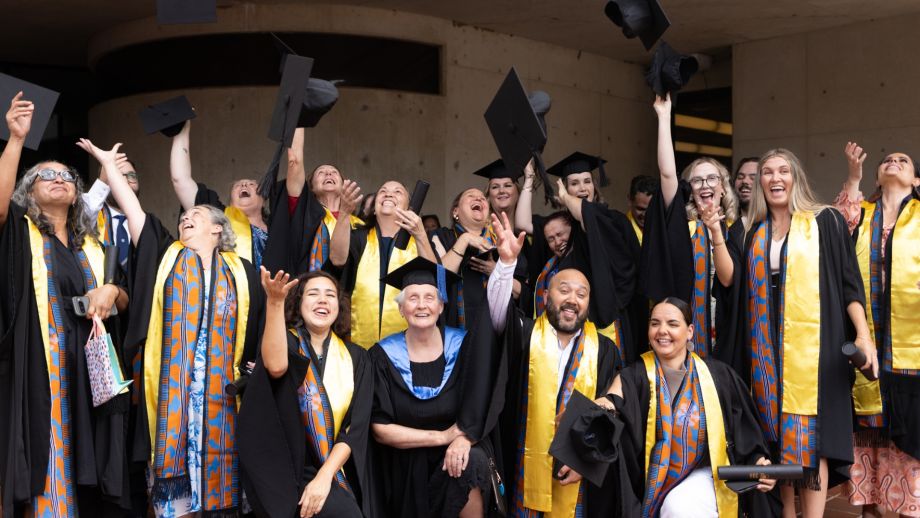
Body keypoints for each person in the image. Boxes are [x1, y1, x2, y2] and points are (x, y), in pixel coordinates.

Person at [77, 137, 265, 518]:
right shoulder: (166, 256)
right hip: (173, 390)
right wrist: (108, 166)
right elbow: (131, 208)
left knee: (224, 494)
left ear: (218, 230)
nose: (186, 218)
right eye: (183, 217)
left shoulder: (242, 273)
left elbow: (257, 328)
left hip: (224, 394)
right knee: (174, 502)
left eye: (196, 216)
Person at [717, 148, 876, 518]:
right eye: (768, 172)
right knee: (775, 435)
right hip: (765, 349)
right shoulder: (750, 233)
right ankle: (786, 514)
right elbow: (730, 286)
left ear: (796, 178)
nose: (775, 178)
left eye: (783, 171)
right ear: (760, 183)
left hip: (815, 347)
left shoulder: (826, 221)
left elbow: (849, 284)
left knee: (811, 435)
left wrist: (863, 336)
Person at [0, 93, 131, 516]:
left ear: (77, 195)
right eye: (46, 175)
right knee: (49, 458)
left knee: (89, 468)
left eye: (66, 176)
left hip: (90, 371)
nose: (59, 179)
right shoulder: (20, 235)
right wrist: (16, 140)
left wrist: (111, 292)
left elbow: (125, 295)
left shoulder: (91, 244)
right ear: (29, 192)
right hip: (42, 366)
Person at [487, 212, 622, 516]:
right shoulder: (523, 335)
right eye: (564, 291)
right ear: (546, 295)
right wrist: (506, 263)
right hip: (523, 464)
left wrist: (587, 462)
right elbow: (496, 314)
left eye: (581, 294)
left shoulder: (604, 351)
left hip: (576, 476)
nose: (572, 300)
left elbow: (613, 410)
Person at [596, 297, 778, 518]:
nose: (662, 331)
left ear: (689, 331)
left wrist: (758, 463)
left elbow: (745, 432)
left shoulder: (718, 376)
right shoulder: (634, 377)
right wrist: (601, 408)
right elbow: (610, 402)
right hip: (650, 483)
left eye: (672, 324)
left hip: (705, 474)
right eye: (655, 323)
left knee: (680, 506)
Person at [369, 257, 504, 518]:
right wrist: (442, 437)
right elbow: (380, 429)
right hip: (406, 464)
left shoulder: (464, 347)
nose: (422, 305)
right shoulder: (382, 357)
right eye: (413, 298)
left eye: (430, 297)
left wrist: (463, 438)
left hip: (457, 455)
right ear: (401, 309)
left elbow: (481, 406)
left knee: (471, 460)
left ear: (441, 306)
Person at [239, 269, 372, 518]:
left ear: (338, 306)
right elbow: (276, 367)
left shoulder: (357, 358)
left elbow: (354, 428)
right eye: (313, 293)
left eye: (330, 295)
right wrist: (275, 302)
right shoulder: (286, 343)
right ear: (298, 302)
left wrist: (323, 479)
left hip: (331, 467)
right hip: (284, 468)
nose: (323, 300)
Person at [835, 142, 920, 518]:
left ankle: (908, 508)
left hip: (911, 340)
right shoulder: (862, 214)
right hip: (866, 331)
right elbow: (837, 226)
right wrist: (853, 176)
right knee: (869, 425)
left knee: (908, 424)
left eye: (903, 161)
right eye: (887, 160)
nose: (894, 162)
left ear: (916, 179)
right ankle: (869, 508)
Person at [640, 94, 740, 359]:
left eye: (711, 178)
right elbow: (667, 174)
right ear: (690, 190)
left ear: (723, 186)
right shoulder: (683, 229)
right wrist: (664, 117)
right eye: (697, 181)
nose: (705, 185)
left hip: (729, 326)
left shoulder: (739, 229)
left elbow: (729, 280)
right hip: (688, 326)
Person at [516, 156, 638, 362]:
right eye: (574, 183)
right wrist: (528, 178)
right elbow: (522, 223)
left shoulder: (612, 219)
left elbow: (587, 217)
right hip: (569, 320)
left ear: (595, 186)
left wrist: (565, 195)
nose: (582, 187)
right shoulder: (563, 226)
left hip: (607, 319)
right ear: (565, 188)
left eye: (587, 181)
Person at [326, 180, 436, 348]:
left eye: (398, 192)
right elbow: (337, 259)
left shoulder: (418, 241)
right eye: (383, 191)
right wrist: (344, 212)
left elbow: (435, 279)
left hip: (408, 347)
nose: (389, 194)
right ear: (374, 208)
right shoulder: (358, 237)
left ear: (409, 208)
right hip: (358, 341)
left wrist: (420, 234)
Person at [169, 120, 270, 268]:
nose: (243, 185)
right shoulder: (216, 216)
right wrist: (182, 130)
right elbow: (180, 179)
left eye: (252, 184)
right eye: (237, 185)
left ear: (264, 199)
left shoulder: (278, 226)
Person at [432, 187, 523, 329]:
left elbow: (521, 293)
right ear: (455, 211)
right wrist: (464, 239)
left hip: (495, 330)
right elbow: (438, 278)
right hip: (454, 330)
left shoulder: (502, 241)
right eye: (470, 196)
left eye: (482, 197)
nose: (478, 198)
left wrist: (498, 271)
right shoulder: (441, 236)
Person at [283, 127, 363, 273]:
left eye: (334, 173)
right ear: (311, 186)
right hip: (307, 289)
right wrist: (298, 117)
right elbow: (294, 162)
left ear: (343, 184)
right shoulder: (302, 213)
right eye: (321, 173)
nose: (328, 174)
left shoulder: (360, 225)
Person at [83, 152, 140, 268]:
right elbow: (79, 216)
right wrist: (102, 181)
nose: (126, 181)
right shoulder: (90, 216)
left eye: (132, 176)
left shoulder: (148, 224)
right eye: (117, 175)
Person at [626, 174, 659, 244]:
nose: (645, 215)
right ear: (630, 201)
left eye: (651, 210)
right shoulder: (621, 231)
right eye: (640, 209)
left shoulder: (666, 227)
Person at [733, 157, 759, 226]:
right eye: (740, 177)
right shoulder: (724, 223)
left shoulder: (774, 223)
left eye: (753, 178)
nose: (744, 181)